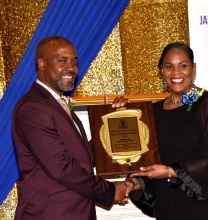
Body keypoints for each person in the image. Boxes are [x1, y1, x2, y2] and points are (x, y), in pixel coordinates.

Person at [12, 36, 132, 220]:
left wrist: (113, 122)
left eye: (74, 61)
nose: (71, 68)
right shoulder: (33, 108)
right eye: (62, 61)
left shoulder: (58, 104)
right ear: (42, 64)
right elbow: (63, 168)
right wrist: (109, 190)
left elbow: (82, 158)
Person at [126, 42, 208, 220]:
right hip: (171, 207)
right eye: (169, 67)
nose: (176, 73)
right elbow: (150, 161)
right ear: (161, 71)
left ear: (193, 68)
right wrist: (119, 113)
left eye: (183, 66)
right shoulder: (153, 112)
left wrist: (170, 171)